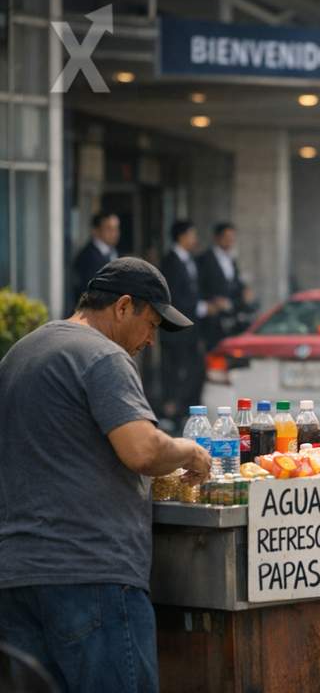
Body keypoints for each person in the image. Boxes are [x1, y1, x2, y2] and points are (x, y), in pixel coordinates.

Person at [0, 257, 212, 692]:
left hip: (15, 581)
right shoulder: (102, 356)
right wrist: (189, 450)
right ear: (123, 307)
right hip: (90, 576)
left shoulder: (21, 353)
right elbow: (141, 449)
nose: (151, 340)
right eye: (151, 324)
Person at [159, 221, 217, 423]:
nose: (195, 240)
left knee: (192, 369)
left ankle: (184, 410)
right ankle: (171, 412)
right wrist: (201, 308)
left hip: (190, 329)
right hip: (176, 329)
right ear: (181, 237)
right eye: (192, 235)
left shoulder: (190, 260)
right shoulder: (171, 262)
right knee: (176, 371)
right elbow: (174, 298)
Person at [198, 221, 255, 351]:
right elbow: (199, 286)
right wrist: (211, 301)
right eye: (227, 237)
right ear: (217, 238)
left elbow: (235, 282)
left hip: (231, 315)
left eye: (232, 238)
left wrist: (245, 290)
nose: (230, 241)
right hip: (212, 318)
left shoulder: (231, 259)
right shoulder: (204, 259)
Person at [71, 212, 120, 310]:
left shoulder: (112, 251)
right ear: (96, 231)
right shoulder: (88, 256)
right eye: (109, 229)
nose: (114, 233)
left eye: (116, 228)